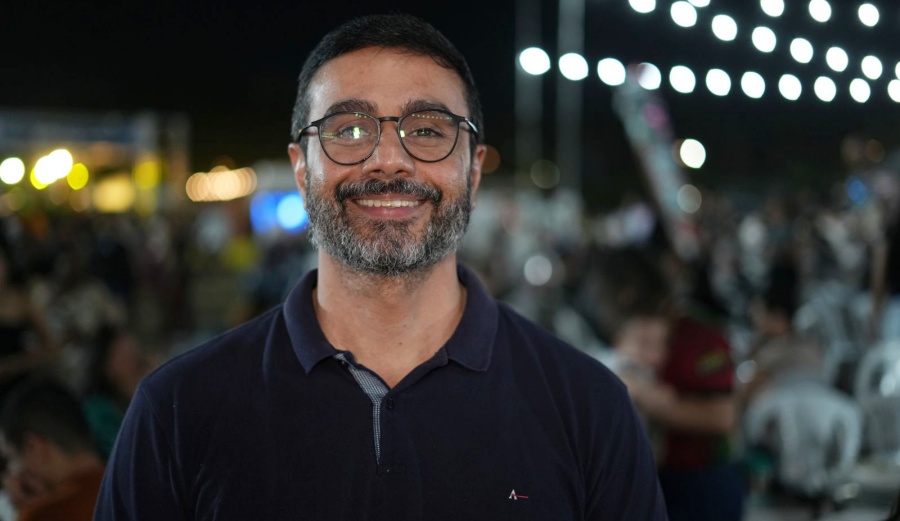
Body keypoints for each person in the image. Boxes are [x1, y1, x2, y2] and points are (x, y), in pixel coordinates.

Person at [94, 14, 667, 520]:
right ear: (301, 170)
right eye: (348, 130)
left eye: (427, 131)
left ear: (473, 171)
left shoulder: (589, 407)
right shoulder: (177, 410)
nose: (389, 160)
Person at [0, 379, 105, 521]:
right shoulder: (128, 485)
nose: (12, 473)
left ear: (34, 448)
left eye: (11, 459)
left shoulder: (43, 514)